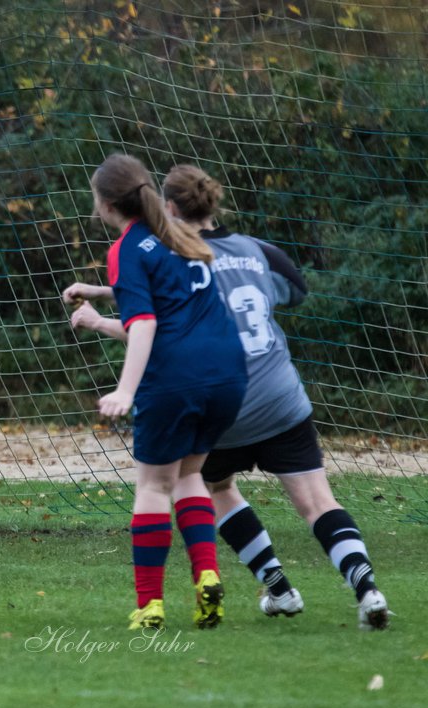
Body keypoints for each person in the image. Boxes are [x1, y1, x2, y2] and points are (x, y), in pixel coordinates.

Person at [68, 165, 392, 631]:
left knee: (192, 484)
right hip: (267, 393)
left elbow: (154, 323)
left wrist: (107, 341)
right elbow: (296, 289)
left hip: (214, 399)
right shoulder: (245, 251)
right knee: (318, 503)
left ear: (170, 208)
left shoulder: (160, 247)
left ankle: (263, 586)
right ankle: (367, 589)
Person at [62, 154, 248, 632]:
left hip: (177, 380)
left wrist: (125, 389)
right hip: (227, 376)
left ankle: (150, 606)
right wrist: (102, 293)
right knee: (189, 478)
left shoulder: (127, 248)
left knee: (152, 485)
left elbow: (146, 322)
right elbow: (169, 299)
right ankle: (207, 575)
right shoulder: (180, 232)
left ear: (104, 204)